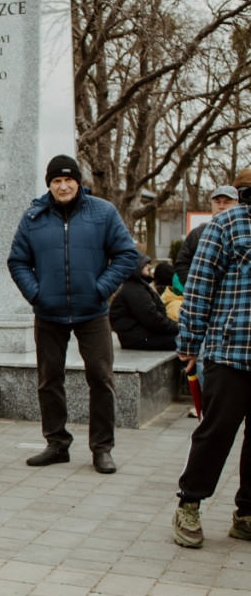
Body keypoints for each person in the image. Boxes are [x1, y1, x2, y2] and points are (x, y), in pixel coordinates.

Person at [8, 155, 139, 474]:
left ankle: (102, 448)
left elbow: (126, 255)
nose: (63, 186)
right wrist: (37, 294)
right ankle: (56, 443)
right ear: (49, 185)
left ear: (78, 182)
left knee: (101, 377)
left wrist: (101, 288)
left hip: (92, 311)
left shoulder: (103, 212)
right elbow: (18, 261)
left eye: (68, 180)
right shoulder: (33, 216)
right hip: (49, 312)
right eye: (56, 181)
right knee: (49, 379)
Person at [172, 185, 251, 549]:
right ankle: (189, 502)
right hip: (231, 352)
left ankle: (246, 513)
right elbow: (200, 287)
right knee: (216, 432)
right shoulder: (229, 223)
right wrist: (189, 343)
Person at [109, 254, 178, 350]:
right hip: (139, 339)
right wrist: (178, 327)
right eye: (145, 263)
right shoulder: (134, 290)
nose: (148, 266)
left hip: (142, 336)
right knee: (189, 342)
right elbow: (152, 318)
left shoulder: (138, 286)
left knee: (189, 340)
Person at [174, 186, 238, 287]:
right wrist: (193, 286)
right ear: (212, 204)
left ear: (236, 204)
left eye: (227, 202)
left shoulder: (243, 233)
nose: (221, 206)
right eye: (217, 202)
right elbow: (182, 263)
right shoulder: (197, 233)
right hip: (204, 296)